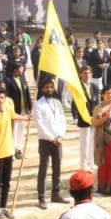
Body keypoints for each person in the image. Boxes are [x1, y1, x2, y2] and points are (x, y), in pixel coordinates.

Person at [0, 84, 23, 219]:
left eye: (2, 97)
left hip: (8, 151)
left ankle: (4, 207)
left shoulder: (8, 110)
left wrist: (27, 117)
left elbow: (16, 116)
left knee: (7, 182)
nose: (0, 100)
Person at [33, 76, 68, 207]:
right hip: (45, 141)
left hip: (58, 141)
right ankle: (41, 197)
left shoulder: (57, 103)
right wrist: (51, 138)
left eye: (51, 87)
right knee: (43, 169)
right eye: (46, 87)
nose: (49, 89)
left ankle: (55, 194)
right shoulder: (38, 104)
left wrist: (60, 136)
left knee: (57, 168)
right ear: (42, 89)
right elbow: (39, 125)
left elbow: (63, 120)